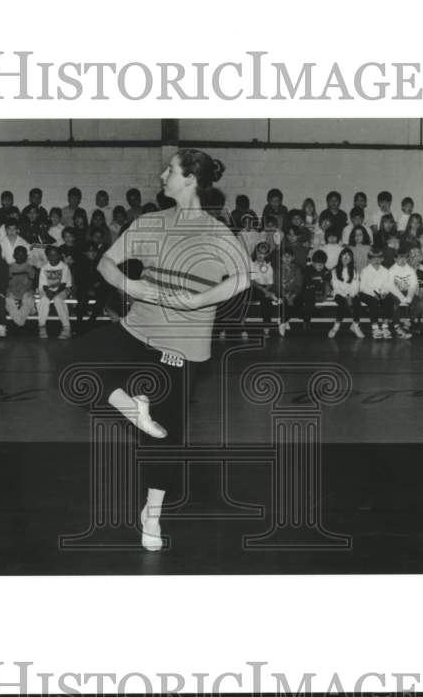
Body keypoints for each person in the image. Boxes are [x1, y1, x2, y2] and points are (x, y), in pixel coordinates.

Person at [70, 149, 251, 551]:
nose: (161, 174)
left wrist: (198, 301)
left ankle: (152, 513)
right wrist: (131, 287)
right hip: (138, 331)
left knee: (166, 437)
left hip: (182, 347)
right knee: (71, 363)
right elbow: (105, 263)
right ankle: (130, 407)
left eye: (169, 170)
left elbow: (242, 279)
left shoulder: (218, 233)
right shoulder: (150, 222)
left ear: (189, 179)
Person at [358, 247, 398, 339]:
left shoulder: (385, 271)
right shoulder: (365, 271)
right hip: (367, 293)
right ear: (369, 259)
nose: (376, 260)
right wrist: (373, 294)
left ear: (382, 259)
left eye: (379, 258)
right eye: (373, 258)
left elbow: (387, 285)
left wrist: (384, 292)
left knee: (389, 300)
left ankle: (385, 326)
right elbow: (363, 287)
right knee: (373, 302)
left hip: (380, 293)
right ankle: (375, 328)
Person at [36, 244, 72, 339]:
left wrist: (54, 293)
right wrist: (48, 292)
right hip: (47, 289)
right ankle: (42, 326)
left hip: (62, 289)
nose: (53, 257)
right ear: (47, 257)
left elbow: (64, 284)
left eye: (55, 255)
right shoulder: (44, 268)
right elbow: (43, 285)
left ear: (60, 256)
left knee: (58, 300)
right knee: (43, 301)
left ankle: (66, 327)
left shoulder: (64, 267)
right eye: (50, 255)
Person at [328, 247, 363, 338]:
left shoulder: (355, 270)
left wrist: (350, 295)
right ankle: (336, 327)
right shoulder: (334, 270)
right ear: (340, 257)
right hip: (339, 294)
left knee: (357, 302)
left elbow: (356, 285)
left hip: (351, 294)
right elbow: (336, 286)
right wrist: (345, 295)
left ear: (351, 259)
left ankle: (355, 326)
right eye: (344, 256)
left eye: (348, 256)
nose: (346, 258)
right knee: (342, 304)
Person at [387, 249, 417, 338]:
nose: (403, 261)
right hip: (394, 292)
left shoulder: (410, 270)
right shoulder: (391, 270)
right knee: (394, 305)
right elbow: (390, 286)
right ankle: (397, 327)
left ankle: (407, 323)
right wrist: (401, 298)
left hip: (407, 291)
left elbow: (413, 284)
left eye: (405, 258)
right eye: (400, 258)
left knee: (419, 303)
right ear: (395, 259)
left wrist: (409, 296)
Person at [299, 249, 331, 332]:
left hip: (320, 292)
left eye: (322, 264)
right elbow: (306, 283)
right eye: (318, 264)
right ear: (313, 263)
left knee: (320, 288)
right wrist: (318, 282)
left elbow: (327, 281)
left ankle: (310, 315)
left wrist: (322, 282)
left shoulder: (326, 271)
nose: (320, 266)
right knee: (309, 296)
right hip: (308, 292)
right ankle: (307, 320)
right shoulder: (307, 269)